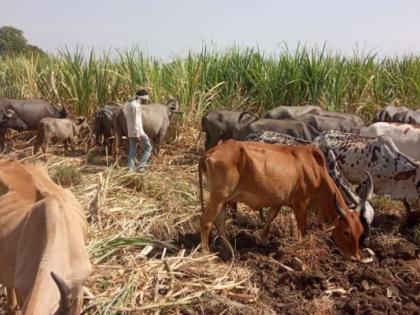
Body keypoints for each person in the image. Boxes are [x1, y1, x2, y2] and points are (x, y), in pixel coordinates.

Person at [123, 89, 152, 172]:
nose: (145, 102)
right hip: (138, 132)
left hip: (130, 132)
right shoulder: (136, 106)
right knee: (148, 148)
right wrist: (138, 134)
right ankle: (141, 167)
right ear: (141, 98)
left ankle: (130, 169)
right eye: (145, 100)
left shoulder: (129, 104)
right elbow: (136, 120)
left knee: (132, 151)